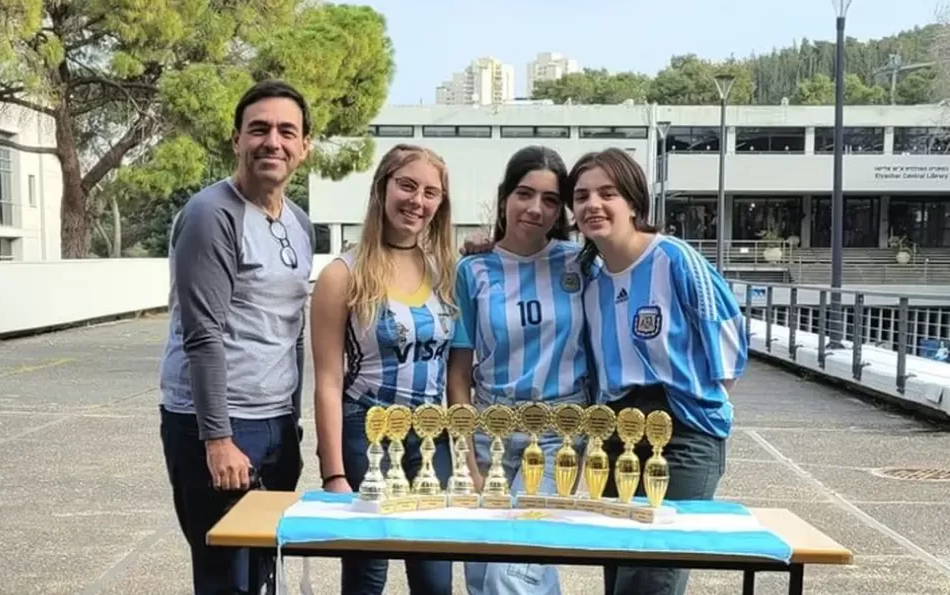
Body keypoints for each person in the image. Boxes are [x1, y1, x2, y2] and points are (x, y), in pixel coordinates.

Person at [158, 80, 316, 595]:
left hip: (274, 425)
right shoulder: (212, 214)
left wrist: (290, 420)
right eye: (260, 129)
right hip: (219, 427)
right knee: (224, 576)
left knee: (264, 569)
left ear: (304, 146)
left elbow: (291, 328)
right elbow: (202, 335)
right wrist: (218, 438)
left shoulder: (299, 224)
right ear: (236, 140)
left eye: (286, 131)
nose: (273, 142)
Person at [567, 148, 748, 595]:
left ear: (633, 202)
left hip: (683, 431)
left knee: (654, 572)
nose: (593, 204)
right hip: (614, 433)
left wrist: (701, 402)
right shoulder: (587, 275)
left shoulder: (675, 260)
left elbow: (728, 340)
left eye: (607, 193)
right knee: (620, 565)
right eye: (582, 195)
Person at [310, 143, 459, 595]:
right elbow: (328, 381)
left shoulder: (447, 269)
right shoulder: (343, 274)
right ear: (382, 188)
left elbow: (455, 369)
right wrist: (333, 471)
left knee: (435, 577)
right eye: (407, 186)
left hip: (433, 441)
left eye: (431, 192)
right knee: (366, 576)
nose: (418, 201)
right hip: (367, 434)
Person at [448, 146, 590, 595]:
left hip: (557, 431)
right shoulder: (473, 269)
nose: (536, 208)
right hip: (488, 428)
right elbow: (459, 373)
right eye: (525, 194)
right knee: (483, 570)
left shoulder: (582, 263)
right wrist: (464, 454)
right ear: (505, 196)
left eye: (550, 200)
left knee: (513, 573)